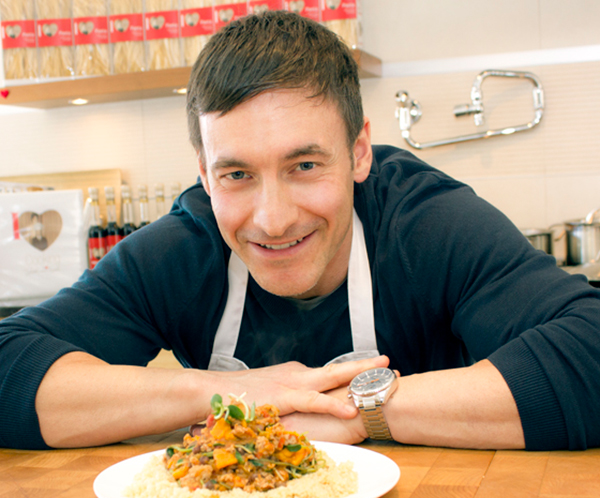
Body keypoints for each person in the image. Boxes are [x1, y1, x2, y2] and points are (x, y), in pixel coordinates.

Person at [1, 11, 600, 452]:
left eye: (305, 166)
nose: (273, 217)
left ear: (359, 153)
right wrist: (232, 396)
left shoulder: (427, 226)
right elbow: (10, 365)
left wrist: (359, 412)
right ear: (204, 175)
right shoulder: (184, 250)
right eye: (237, 174)